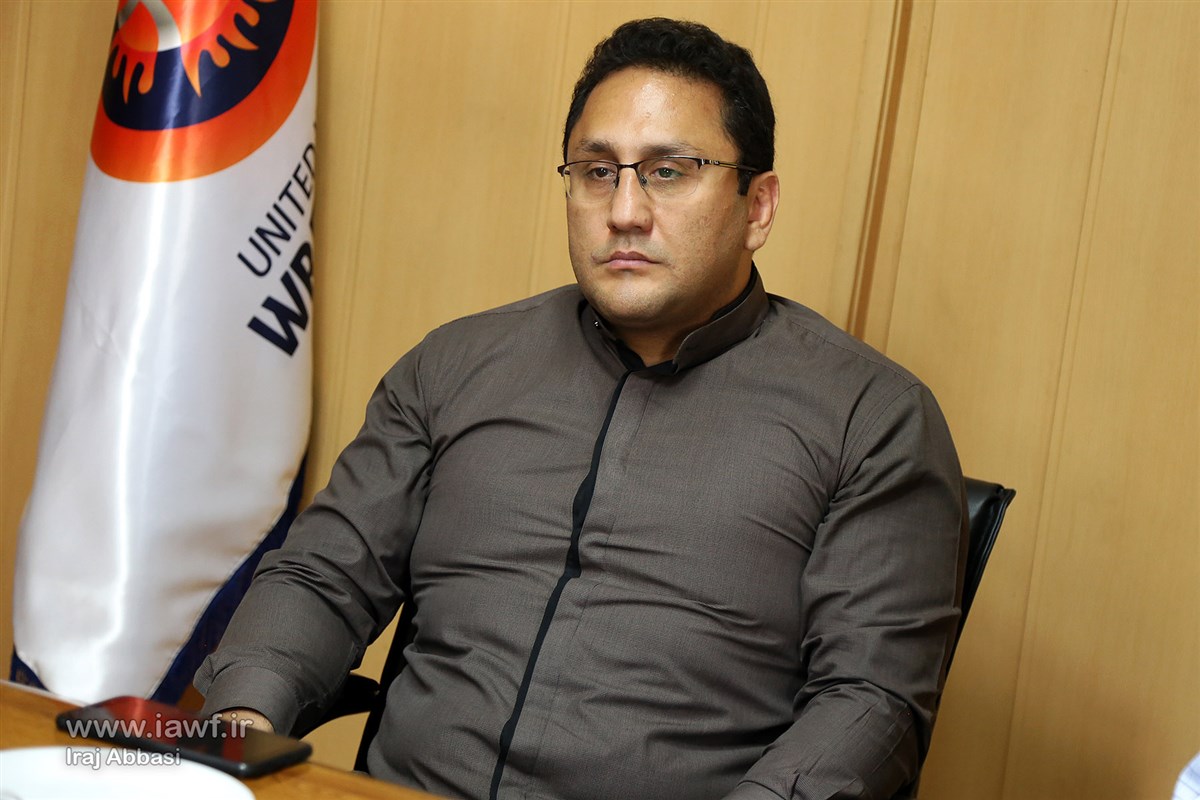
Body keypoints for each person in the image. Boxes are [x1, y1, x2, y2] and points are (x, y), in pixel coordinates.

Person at [196, 17, 967, 800]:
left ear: (757, 206)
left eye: (669, 171)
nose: (624, 210)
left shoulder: (872, 420)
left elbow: (870, 702)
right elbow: (323, 575)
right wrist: (238, 729)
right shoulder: (456, 366)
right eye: (598, 171)